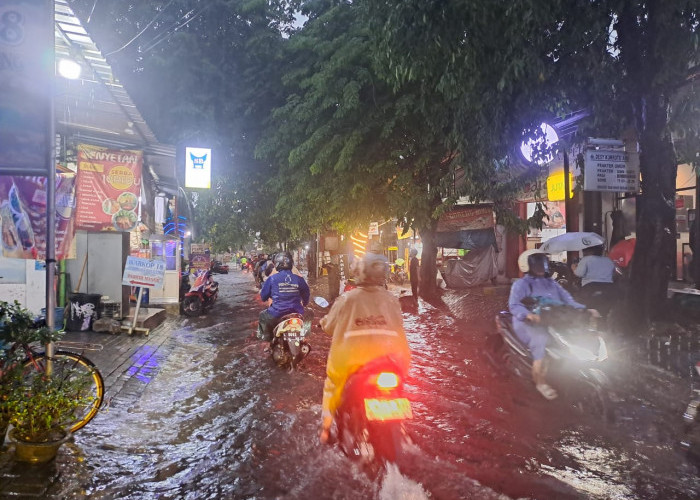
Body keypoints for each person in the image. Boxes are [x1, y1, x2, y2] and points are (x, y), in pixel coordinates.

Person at [318, 252, 411, 443]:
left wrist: (323, 322)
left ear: (359, 273)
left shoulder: (347, 299)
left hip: (351, 365)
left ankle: (325, 430)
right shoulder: (391, 300)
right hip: (391, 363)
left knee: (332, 386)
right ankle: (401, 428)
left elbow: (329, 326)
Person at [509, 250, 594, 401]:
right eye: (538, 263)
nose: (542, 266)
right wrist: (528, 314)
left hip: (552, 320)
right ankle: (540, 383)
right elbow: (514, 305)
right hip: (528, 323)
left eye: (543, 262)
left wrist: (585, 309)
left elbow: (569, 300)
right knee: (541, 342)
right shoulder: (521, 284)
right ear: (527, 265)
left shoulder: (552, 284)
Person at [257, 251, 310, 342]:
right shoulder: (299, 279)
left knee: (262, 315)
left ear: (277, 264)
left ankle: (267, 341)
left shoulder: (272, 278)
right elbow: (306, 294)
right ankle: (305, 336)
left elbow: (263, 297)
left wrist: (270, 296)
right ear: (291, 264)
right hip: (297, 313)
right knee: (310, 313)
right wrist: (304, 304)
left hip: (277, 313)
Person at [572, 245, 616, 316]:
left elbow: (579, 273)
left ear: (589, 251)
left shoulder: (586, 259)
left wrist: (573, 268)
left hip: (590, 288)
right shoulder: (609, 260)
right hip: (609, 288)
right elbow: (613, 274)